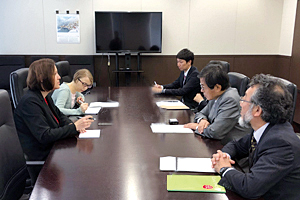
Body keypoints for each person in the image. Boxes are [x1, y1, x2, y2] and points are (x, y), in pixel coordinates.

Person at [211, 74, 300, 200]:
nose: (240, 102)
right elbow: (236, 145)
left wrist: (224, 168)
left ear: (257, 110)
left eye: (245, 99)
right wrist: (223, 156)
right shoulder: (266, 128)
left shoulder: (281, 143)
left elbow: (250, 188)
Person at [14, 58, 94, 183]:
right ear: (42, 78)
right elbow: (45, 135)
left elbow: (60, 116)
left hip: (54, 151)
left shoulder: (45, 96)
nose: (59, 77)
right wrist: (73, 127)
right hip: (44, 159)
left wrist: (73, 125)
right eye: (55, 74)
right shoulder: (30, 102)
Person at [184, 64, 251, 144]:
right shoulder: (216, 95)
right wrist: (202, 120)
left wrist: (197, 127)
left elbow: (215, 133)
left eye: (203, 87)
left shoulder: (230, 100)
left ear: (217, 88)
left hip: (231, 147)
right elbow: (201, 113)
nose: (201, 90)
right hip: (216, 142)